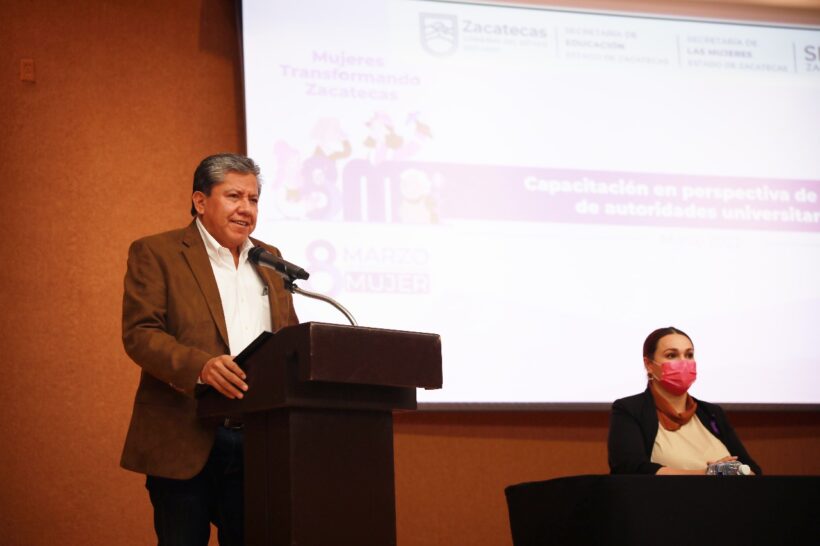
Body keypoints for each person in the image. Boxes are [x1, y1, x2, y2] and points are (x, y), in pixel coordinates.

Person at [120, 153, 299, 545]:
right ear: (200, 201)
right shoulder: (158, 253)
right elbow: (140, 334)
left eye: (253, 199)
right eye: (234, 196)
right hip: (185, 436)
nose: (246, 208)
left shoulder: (270, 260)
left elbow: (289, 340)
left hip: (259, 442)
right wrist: (201, 367)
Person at [608, 326, 761, 475]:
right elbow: (630, 468)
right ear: (649, 365)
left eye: (689, 355)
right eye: (671, 355)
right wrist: (708, 474)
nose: (684, 362)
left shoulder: (712, 413)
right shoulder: (630, 409)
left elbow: (752, 469)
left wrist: (737, 471)